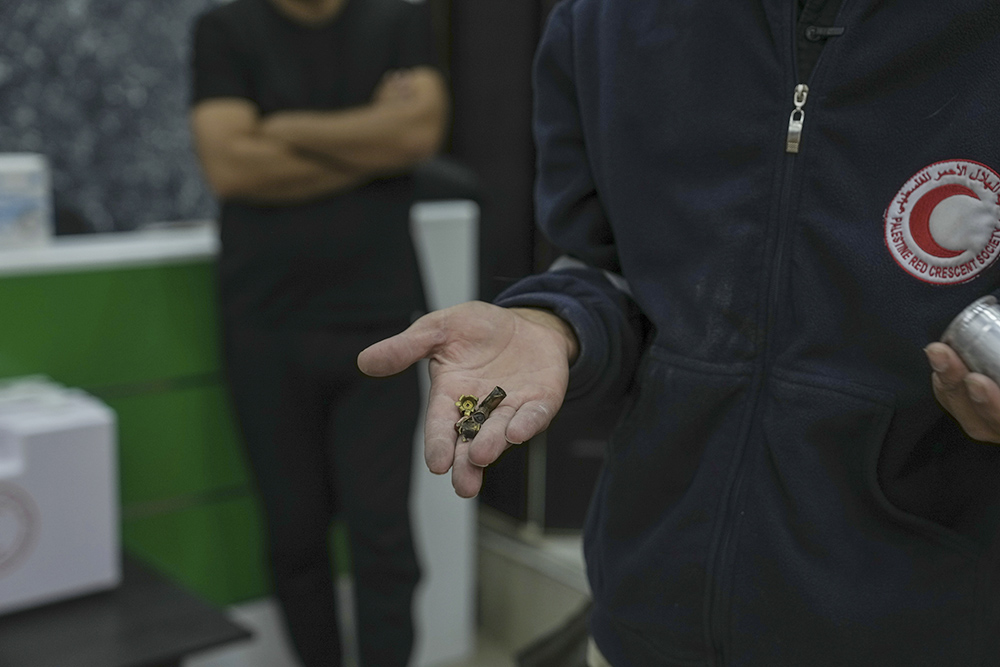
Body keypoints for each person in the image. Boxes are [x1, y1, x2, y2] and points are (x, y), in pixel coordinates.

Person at [358, 1, 1000, 665]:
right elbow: (610, 268)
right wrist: (552, 322)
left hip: (924, 625)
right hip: (645, 616)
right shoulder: (607, 24)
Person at [188, 0, 448, 665]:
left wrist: (285, 127)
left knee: (383, 536)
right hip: (264, 325)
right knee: (294, 535)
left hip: (382, 325)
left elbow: (418, 136)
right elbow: (232, 167)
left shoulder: (397, 20)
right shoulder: (224, 30)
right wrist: (374, 142)